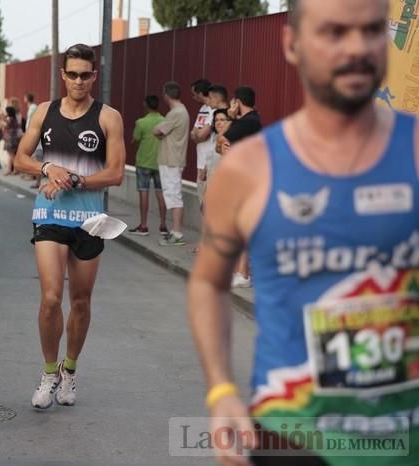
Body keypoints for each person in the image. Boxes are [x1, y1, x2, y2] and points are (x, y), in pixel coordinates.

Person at [189, 1, 419, 465]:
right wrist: (221, 390)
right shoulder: (249, 170)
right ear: (292, 44)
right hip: (291, 434)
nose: (356, 48)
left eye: (371, 31)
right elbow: (208, 282)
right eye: (334, 32)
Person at [14, 43, 125, 409]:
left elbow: (116, 173)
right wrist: (49, 169)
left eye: (85, 74)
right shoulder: (44, 112)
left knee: (80, 301)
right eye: (72, 74)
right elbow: (20, 159)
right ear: (63, 75)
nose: (78, 81)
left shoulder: (109, 117)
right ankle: (48, 373)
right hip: (49, 215)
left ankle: (70, 370)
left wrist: (76, 180)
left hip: (90, 220)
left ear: (94, 76)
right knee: (50, 298)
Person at [223, 86, 263, 288]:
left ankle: (244, 274)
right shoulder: (250, 121)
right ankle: (243, 272)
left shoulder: (248, 122)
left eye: (233, 102)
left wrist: (230, 116)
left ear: (237, 102)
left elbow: (223, 138)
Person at [153, 81, 190, 247]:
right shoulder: (181, 112)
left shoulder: (175, 113)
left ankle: (177, 233)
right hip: (174, 158)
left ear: (166, 94)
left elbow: (158, 131)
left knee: (174, 196)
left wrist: (159, 131)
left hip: (171, 160)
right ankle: (175, 232)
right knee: (174, 195)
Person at [128, 95, 168, 237]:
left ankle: (144, 225)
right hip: (160, 162)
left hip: (144, 161)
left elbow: (136, 138)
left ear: (146, 105)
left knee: (143, 192)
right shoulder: (165, 121)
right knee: (161, 194)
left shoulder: (141, 122)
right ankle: (163, 225)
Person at [190, 78, 214, 207]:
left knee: (208, 202)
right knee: (201, 201)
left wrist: (198, 135)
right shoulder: (203, 108)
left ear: (200, 93)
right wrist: (197, 135)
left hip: (208, 162)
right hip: (200, 161)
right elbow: (194, 133)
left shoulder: (214, 110)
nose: (193, 98)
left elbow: (202, 135)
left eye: (194, 94)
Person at [2, 106, 22, 176]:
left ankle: (16, 169)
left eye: (6, 111)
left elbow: (6, 125)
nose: (5, 112)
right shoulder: (13, 119)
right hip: (10, 139)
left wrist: (0, 121)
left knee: (12, 155)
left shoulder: (10, 119)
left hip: (11, 139)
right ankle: (10, 169)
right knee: (10, 155)